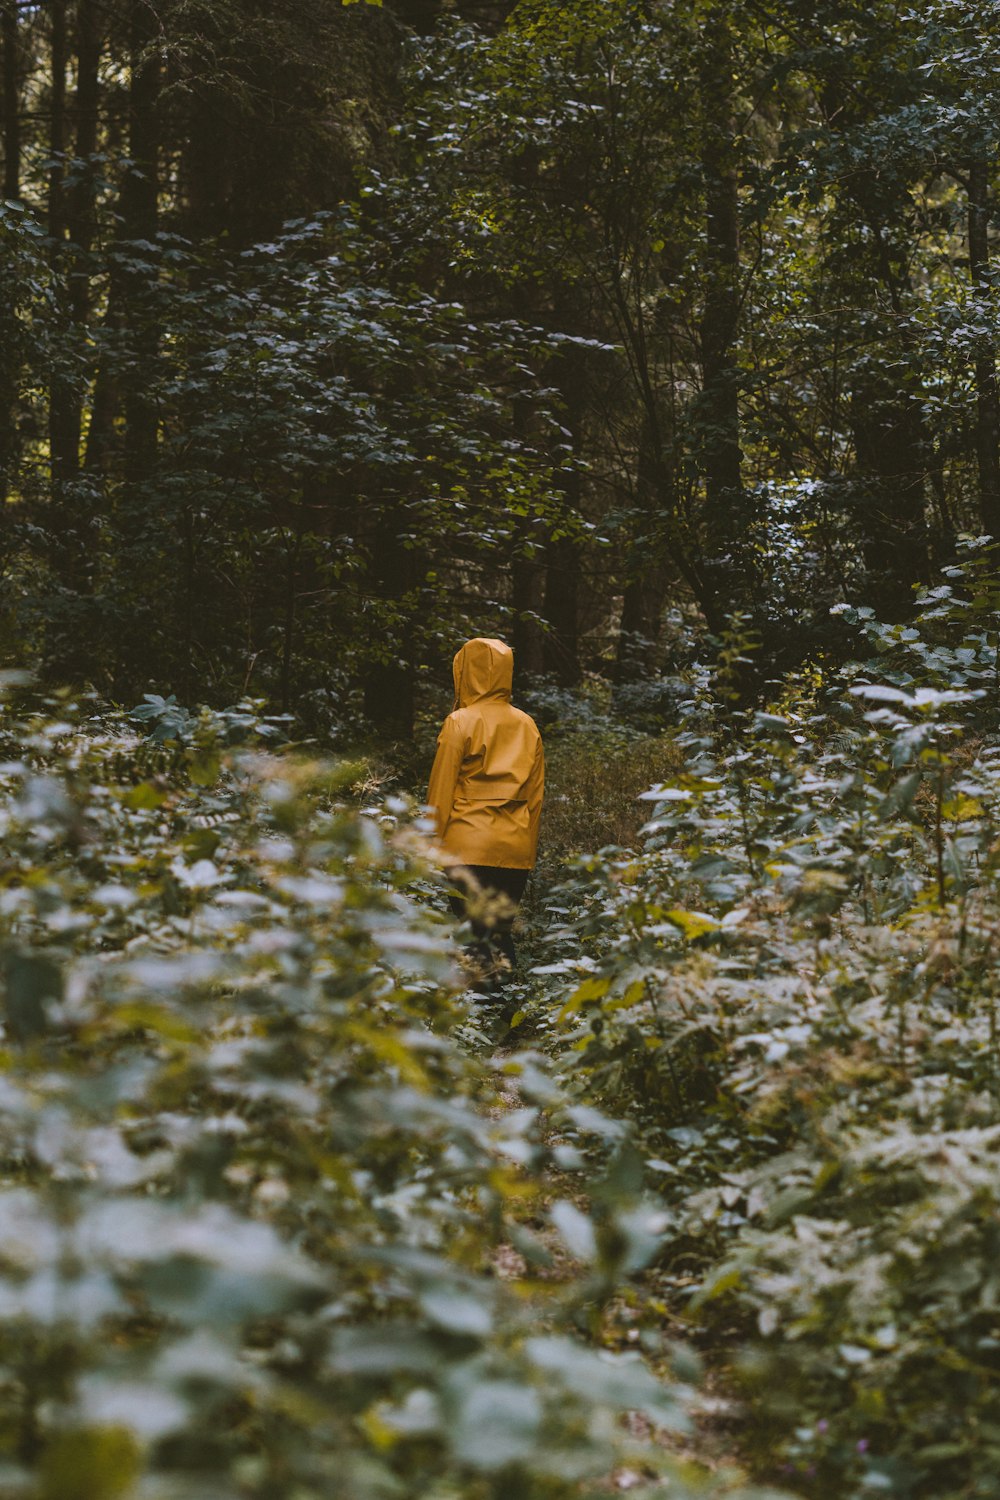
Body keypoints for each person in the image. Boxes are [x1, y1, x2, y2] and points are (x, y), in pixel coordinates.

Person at [427, 637, 544, 984]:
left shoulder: (459, 722)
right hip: (515, 846)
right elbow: (535, 798)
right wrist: (528, 851)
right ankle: (504, 1008)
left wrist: (428, 843)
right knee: (498, 930)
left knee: (471, 930)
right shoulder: (528, 724)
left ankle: (477, 1012)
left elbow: (441, 790)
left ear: (466, 671)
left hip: (467, 845)